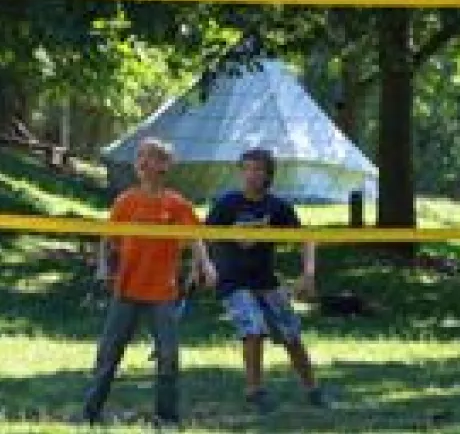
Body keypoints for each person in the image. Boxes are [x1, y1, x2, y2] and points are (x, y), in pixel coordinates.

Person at [78, 138, 216, 429]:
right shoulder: (125, 201)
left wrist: (204, 265)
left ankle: (166, 417)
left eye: (149, 157)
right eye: (139, 157)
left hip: (162, 293)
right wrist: (103, 266)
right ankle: (90, 413)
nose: (141, 162)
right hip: (126, 290)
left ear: (164, 166)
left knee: (168, 356)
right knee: (109, 354)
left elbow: (195, 237)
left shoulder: (176, 204)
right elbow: (108, 238)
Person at [205, 148, 331, 414]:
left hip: (266, 282)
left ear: (268, 175)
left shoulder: (278, 207)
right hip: (233, 282)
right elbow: (203, 236)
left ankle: (313, 389)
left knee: (291, 335)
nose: (251, 175)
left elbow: (306, 238)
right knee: (253, 329)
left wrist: (308, 274)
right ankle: (254, 391)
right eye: (247, 168)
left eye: (258, 170)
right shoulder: (227, 203)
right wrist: (203, 267)